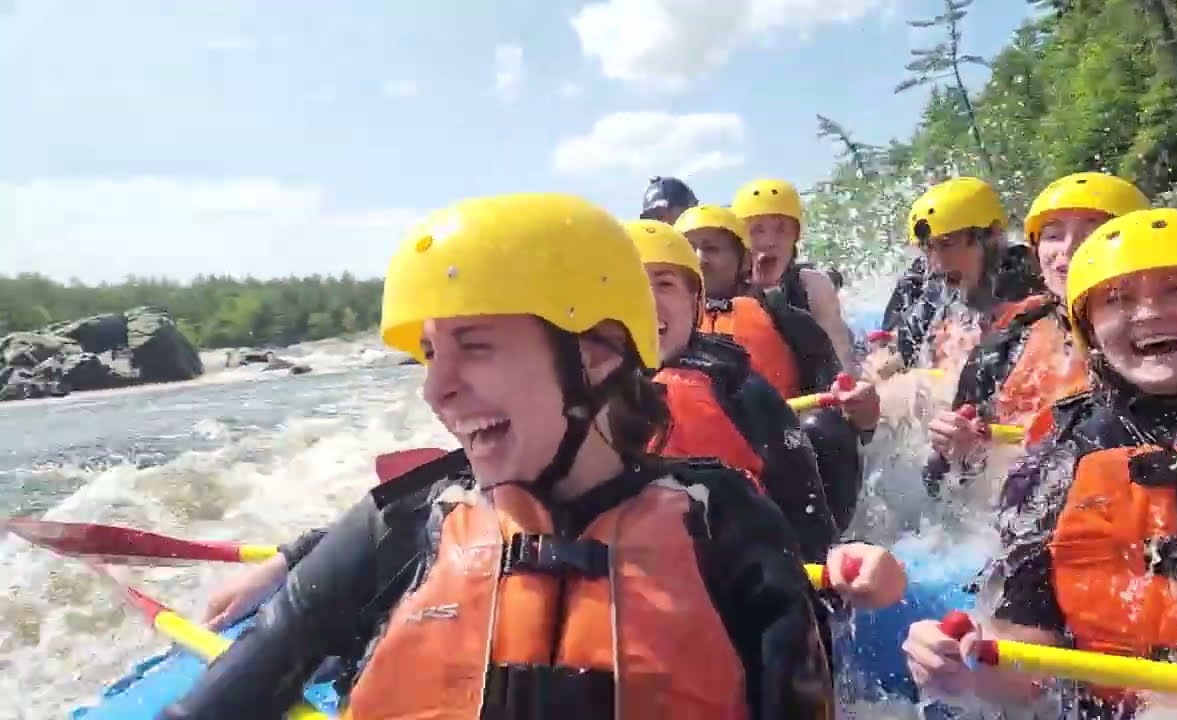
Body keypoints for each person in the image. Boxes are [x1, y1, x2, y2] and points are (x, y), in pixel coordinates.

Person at [165, 193, 834, 719]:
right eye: (431, 353)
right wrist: (294, 559)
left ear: (597, 351)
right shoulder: (404, 524)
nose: (435, 389)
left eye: (475, 346)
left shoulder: (728, 526)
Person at [903, 208, 1177, 719]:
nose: (1147, 313)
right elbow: (1028, 668)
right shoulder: (1061, 459)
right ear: (1090, 328)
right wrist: (964, 670)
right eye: (1117, 299)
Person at [627, 217, 838, 562]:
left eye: (664, 284)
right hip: (636, 575)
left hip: (739, 574)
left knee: (828, 429)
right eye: (633, 285)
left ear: (695, 300)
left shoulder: (740, 389)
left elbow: (809, 521)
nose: (648, 301)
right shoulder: (582, 396)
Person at [925, 173, 1150, 493]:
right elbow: (942, 478)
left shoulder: (1172, 341)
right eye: (1054, 235)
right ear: (1037, 252)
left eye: (1094, 232)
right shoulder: (1008, 340)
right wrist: (963, 451)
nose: (1070, 249)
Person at [675, 202, 877, 529]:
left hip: (783, 453)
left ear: (744, 260)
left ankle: (825, 540)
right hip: (703, 460)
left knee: (825, 427)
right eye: (689, 249)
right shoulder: (665, 329)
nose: (699, 258)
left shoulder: (787, 319)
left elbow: (836, 396)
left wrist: (859, 412)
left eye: (712, 248)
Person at [885, 177, 1042, 373]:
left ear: (992, 235)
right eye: (928, 248)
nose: (937, 265)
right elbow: (899, 355)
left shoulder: (1029, 285)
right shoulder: (936, 288)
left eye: (947, 244)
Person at [730, 178, 859, 375]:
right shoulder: (725, 291)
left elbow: (843, 365)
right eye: (756, 230)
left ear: (796, 236)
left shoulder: (813, 285)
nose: (769, 241)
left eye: (781, 229)